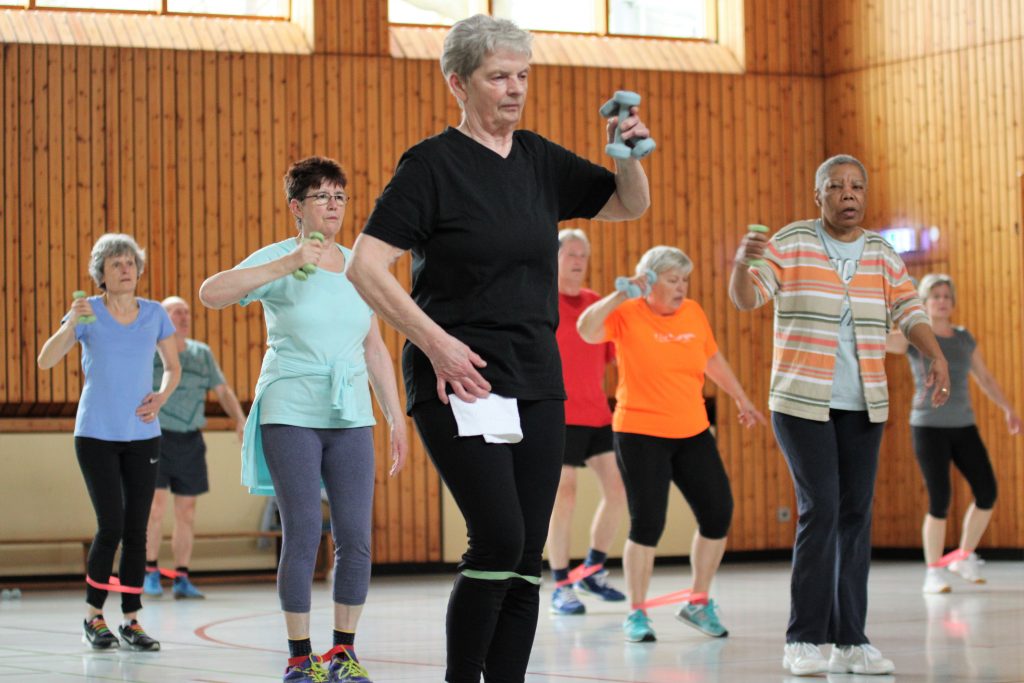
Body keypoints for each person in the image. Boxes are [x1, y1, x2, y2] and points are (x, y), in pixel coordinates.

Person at [346, 14, 651, 682]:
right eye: (498, 77)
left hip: (536, 378)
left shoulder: (539, 158)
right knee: (499, 537)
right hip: (458, 380)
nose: (515, 90)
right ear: (458, 83)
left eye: (522, 76)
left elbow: (627, 206)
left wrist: (626, 157)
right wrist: (437, 344)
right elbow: (366, 266)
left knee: (525, 555)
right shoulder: (431, 167)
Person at [729, 154, 951, 677]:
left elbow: (909, 309)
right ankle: (803, 640)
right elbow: (746, 299)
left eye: (856, 186)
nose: (847, 194)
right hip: (801, 403)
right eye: (836, 186)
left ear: (865, 195)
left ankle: (851, 641)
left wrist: (933, 353)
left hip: (864, 404)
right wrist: (742, 263)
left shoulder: (880, 252)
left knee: (856, 516)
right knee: (821, 509)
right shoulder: (793, 242)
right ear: (819, 196)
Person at [198, 156, 408, 683]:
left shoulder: (359, 265)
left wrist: (396, 417)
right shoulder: (278, 257)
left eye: (340, 196)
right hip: (291, 409)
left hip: (351, 414)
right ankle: (298, 656)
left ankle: (343, 652)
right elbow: (211, 293)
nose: (334, 206)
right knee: (302, 532)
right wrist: (287, 264)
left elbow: (374, 345)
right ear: (297, 207)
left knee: (356, 536)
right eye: (322, 197)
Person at [577, 245, 765, 643]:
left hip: (692, 430)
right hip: (640, 433)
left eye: (685, 280)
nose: (681, 288)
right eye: (672, 280)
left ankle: (698, 602)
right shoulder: (627, 314)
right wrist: (621, 295)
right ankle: (637, 613)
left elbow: (710, 359)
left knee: (718, 513)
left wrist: (741, 397)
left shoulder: (694, 312)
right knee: (648, 524)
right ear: (649, 282)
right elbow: (586, 329)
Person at [37, 233, 181, 652]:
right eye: (116, 263)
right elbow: (47, 359)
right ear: (100, 274)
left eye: (131, 262)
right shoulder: (88, 312)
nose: (126, 269)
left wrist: (162, 396)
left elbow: (172, 367)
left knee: (137, 530)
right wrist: (72, 325)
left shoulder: (154, 314)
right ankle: (93, 615)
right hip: (95, 435)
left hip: (142, 435)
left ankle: (131, 620)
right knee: (111, 525)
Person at [887, 274, 1021, 594]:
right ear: (925, 301)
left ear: (953, 301)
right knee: (940, 499)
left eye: (947, 296)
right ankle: (933, 571)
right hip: (927, 427)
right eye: (935, 296)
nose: (942, 301)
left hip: (963, 425)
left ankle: (963, 555)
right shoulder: (914, 336)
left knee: (987, 491)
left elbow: (985, 378)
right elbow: (882, 340)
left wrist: (1008, 408)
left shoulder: (963, 339)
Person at [143, 295, 248, 600]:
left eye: (187, 312)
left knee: (186, 511)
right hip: (156, 436)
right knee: (154, 508)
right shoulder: (150, 352)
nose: (184, 317)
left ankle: (181, 577)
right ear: (163, 318)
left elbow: (223, 390)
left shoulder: (202, 353)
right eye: (177, 312)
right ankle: (150, 571)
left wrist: (240, 419)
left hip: (189, 440)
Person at [547, 229, 628, 616]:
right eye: (571, 254)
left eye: (583, 255)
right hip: (557, 417)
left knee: (619, 492)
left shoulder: (597, 303)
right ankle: (561, 583)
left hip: (597, 414)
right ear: (556, 258)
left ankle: (592, 569)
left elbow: (617, 356)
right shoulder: (542, 301)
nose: (578, 261)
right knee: (564, 496)